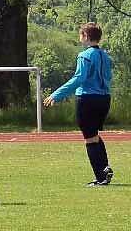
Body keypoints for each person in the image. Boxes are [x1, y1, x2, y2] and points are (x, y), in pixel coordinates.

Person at [43, 22, 115, 186]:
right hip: (104, 98)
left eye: (80, 34)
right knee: (94, 135)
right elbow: (108, 76)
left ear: (86, 36)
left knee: (89, 138)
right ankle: (105, 169)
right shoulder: (104, 55)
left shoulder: (84, 55)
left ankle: (100, 177)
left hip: (87, 99)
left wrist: (56, 94)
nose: (79, 37)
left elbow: (79, 79)